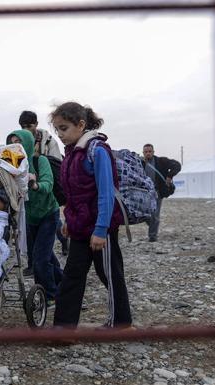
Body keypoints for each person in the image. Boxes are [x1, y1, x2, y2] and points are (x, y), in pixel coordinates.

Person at [50, 101, 132, 329]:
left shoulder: (97, 151)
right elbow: (74, 195)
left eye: (64, 128)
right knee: (72, 275)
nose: (60, 134)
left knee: (109, 274)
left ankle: (121, 324)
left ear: (81, 124)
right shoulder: (71, 154)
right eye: (57, 129)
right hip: (79, 227)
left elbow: (106, 193)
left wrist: (101, 230)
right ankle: (63, 329)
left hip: (100, 228)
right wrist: (68, 220)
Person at [6, 130, 62, 307]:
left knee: (39, 259)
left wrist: (35, 184)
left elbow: (48, 184)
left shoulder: (40, 161)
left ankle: (50, 295)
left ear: (28, 144)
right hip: (28, 219)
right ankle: (67, 285)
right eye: (12, 142)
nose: (16, 145)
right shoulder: (10, 166)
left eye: (19, 141)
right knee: (47, 258)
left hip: (48, 214)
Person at [18, 110, 67, 273]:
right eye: (23, 126)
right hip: (30, 199)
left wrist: (39, 163)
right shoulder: (21, 141)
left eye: (29, 126)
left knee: (47, 233)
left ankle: (59, 250)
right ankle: (37, 265)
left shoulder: (48, 141)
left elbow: (56, 165)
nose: (26, 129)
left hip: (46, 191)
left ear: (36, 125)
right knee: (35, 238)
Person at [142, 144, 181, 242]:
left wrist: (170, 176)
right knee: (143, 214)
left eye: (149, 151)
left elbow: (177, 165)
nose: (148, 153)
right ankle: (152, 224)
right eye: (145, 152)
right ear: (143, 153)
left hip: (157, 192)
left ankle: (152, 236)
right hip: (143, 193)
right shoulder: (140, 163)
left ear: (153, 152)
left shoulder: (161, 161)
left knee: (155, 214)